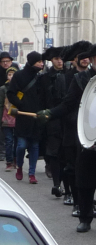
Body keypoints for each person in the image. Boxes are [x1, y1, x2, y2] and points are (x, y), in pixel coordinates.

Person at [40, 43, 96, 234]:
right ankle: (85, 217)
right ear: (92, 59)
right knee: (85, 181)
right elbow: (68, 104)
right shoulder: (80, 79)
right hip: (88, 136)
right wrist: (50, 113)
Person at [59, 41, 92, 210]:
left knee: (88, 166)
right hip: (72, 126)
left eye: (87, 57)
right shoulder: (65, 77)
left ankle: (86, 201)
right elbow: (64, 103)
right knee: (72, 165)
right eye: (82, 57)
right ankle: (73, 197)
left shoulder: (94, 77)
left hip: (90, 127)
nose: (85, 60)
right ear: (74, 60)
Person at [7, 51, 45, 183]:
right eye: (39, 61)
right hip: (23, 116)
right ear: (33, 62)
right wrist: (21, 105)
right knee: (21, 145)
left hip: (36, 117)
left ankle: (31, 173)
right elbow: (11, 93)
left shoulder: (41, 77)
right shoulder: (19, 75)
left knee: (34, 146)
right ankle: (19, 166)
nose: (42, 63)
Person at [40, 46, 68, 197]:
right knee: (54, 153)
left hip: (67, 120)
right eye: (57, 59)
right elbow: (41, 99)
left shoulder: (70, 76)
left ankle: (68, 188)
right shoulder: (44, 78)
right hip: (51, 120)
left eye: (62, 59)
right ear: (52, 60)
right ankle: (57, 184)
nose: (60, 62)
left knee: (67, 154)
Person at [1, 66, 19, 171]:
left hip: (17, 119)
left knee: (16, 141)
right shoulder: (3, 89)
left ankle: (16, 160)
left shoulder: (20, 88)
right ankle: (9, 161)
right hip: (6, 119)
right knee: (8, 141)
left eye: (13, 74)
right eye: (9, 74)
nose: (11, 76)